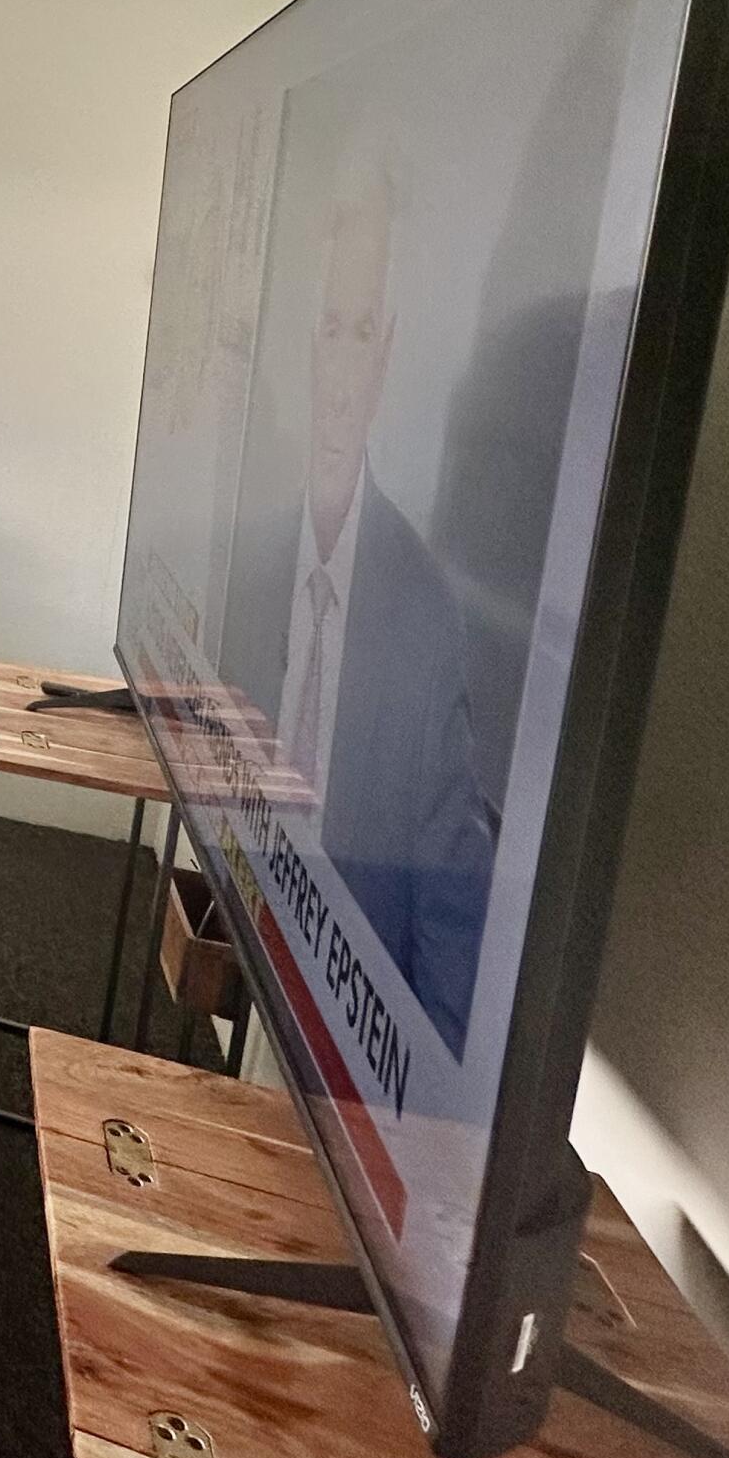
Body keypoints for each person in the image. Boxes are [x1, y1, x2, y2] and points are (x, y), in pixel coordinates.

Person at [225, 139, 498, 1056]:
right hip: (253, 955)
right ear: (299, 344)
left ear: (387, 354)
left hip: (349, 1040)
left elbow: (450, 900)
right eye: (327, 329)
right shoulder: (249, 560)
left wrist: (427, 1135)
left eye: (362, 333)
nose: (340, 380)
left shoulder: (425, 613)